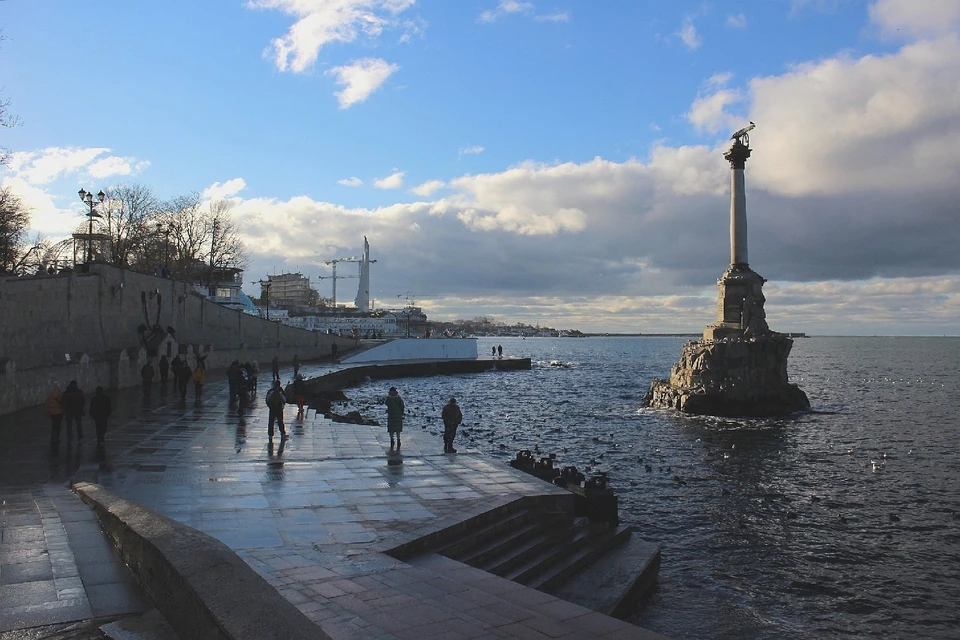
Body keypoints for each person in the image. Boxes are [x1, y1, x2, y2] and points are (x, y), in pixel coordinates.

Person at [61, 380, 86, 444]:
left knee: (69, 426)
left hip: (69, 411)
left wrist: (65, 409)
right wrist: (81, 407)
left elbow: (63, 402)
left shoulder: (66, 393)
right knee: (79, 424)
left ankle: (70, 438)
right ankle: (80, 436)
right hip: (78, 410)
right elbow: (83, 400)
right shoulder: (80, 392)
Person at [45, 382, 64, 450]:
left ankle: (53, 437)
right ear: (58, 387)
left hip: (52, 413)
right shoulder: (60, 394)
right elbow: (62, 402)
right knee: (58, 425)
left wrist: (48, 411)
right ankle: (56, 437)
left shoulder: (50, 394)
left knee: (54, 425)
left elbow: (47, 404)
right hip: (59, 412)